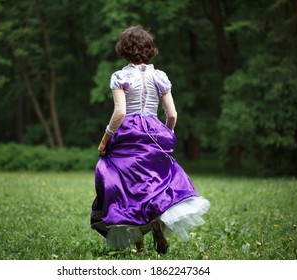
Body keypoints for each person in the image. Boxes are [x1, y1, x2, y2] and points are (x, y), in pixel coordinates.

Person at [90, 26, 210, 254]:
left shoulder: (121, 76)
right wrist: (166, 136)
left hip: (129, 134)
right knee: (154, 184)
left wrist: (105, 139)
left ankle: (140, 245)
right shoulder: (160, 76)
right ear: (149, 49)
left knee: (124, 184)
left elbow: (120, 113)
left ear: (124, 49)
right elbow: (172, 114)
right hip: (154, 131)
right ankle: (155, 225)